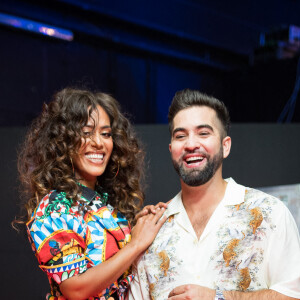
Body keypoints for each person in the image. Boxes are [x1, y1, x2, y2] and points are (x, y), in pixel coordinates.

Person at [128, 89, 300, 300]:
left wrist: (218, 297)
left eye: (203, 133)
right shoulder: (152, 229)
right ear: (171, 148)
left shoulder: (269, 214)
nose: (191, 144)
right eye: (181, 136)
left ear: (225, 146)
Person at [15, 87, 167, 300]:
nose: (98, 142)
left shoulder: (102, 203)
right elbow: (75, 289)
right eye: (86, 133)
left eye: (106, 134)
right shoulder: (55, 207)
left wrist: (140, 227)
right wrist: (135, 245)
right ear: (64, 142)